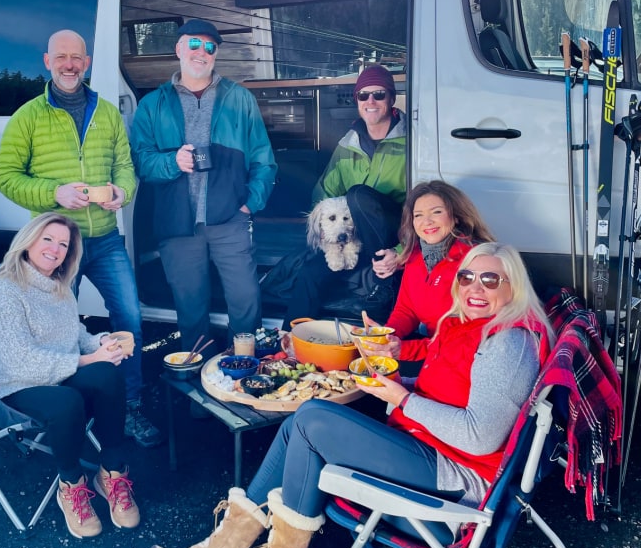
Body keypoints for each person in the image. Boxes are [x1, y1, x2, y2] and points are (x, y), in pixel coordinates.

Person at [148, 243, 553, 548]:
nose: (474, 288)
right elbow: (452, 389)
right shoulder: (467, 326)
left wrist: (403, 399)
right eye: (467, 277)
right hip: (428, 449)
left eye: (489, 279)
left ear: (512, 287)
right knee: (304, 423)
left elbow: (481, 437)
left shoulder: (508, 344)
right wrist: (398, 383)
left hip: (455, 486)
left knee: (311, 420)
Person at [0, 29, 163, 449]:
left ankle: (131, 406)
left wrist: (124, 191)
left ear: (86, 64)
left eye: (77, 58)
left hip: (104, 240)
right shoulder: (28, 116)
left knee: (130, 320)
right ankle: (44, 409)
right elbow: (6, 178)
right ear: (47, 61)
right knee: (49, 326)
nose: (70, 64)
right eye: (61, 57)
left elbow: (124, 164)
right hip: (53, 248)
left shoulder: (106, 112)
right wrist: (55, 193)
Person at [0, 213, 141, 539]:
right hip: (13, 382)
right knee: (67, 402)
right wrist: (87, 359)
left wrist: (102, 344)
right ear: (29, 241)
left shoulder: (59, 287)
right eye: (47, 239)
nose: (55, 249)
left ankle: (111, 472)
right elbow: (17, 361)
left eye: (63, 244)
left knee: (107, 374)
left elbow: (74, 334)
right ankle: (71, 485)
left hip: (55, 371)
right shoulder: (5, 289)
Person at [130, 19, 276, 353]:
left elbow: (264, 160)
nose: (202, 52)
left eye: (210, 47)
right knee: (190, 310)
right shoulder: (153, 105)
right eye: (194, 44)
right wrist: (172, 162)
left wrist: (249, 204)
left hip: (230, 220)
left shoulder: (239, 99)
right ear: (178, 48)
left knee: (246, 302)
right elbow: (140, 161)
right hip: (177, 225)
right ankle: (198, 391)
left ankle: (243, 380)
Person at [282, 64, 406, 325]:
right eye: (363, 96)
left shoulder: (412, 144)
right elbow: (323, 197)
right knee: (310, 274)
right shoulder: (347, 145)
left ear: (392, 99)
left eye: (379, 94)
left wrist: (401, 250)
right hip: (348, 236)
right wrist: (330, 239)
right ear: (357, 101)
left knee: (358, 195)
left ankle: (382, 284)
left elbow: (425, 212)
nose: (370, 101)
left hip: (392, 237)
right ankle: (288, 345)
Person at [373, 180, 496, 363]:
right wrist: (387, 336)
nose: (427, 221)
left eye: (436, 212)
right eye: (418, 215)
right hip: (433, 351)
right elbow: (406, 310)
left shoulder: (475, 260)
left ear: (456, 216)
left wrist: (405, 350)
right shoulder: (414, 255)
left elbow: (467, 338)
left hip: (467, 359)